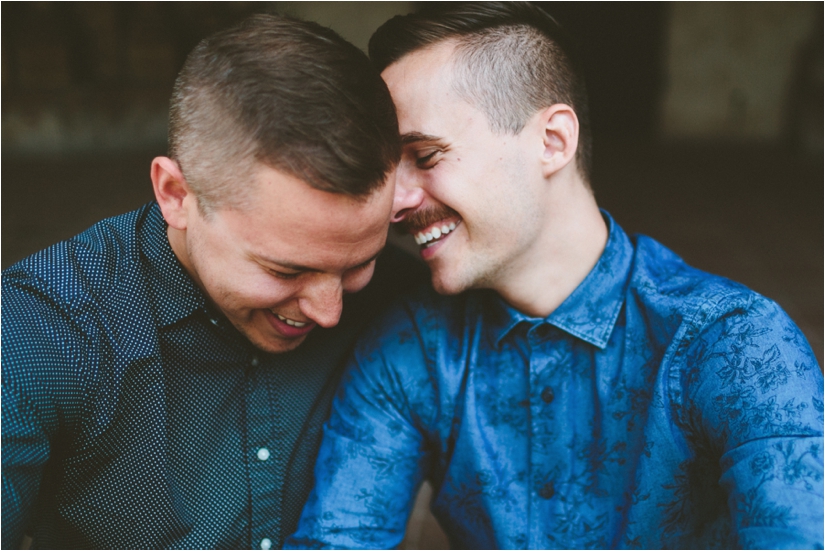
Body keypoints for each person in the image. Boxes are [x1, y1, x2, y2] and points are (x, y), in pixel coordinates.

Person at [286, 3, 824, 549]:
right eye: (389, 167)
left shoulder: (735, 344)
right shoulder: (411, 348)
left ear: (552, 142)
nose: (395, 201)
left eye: (424, 155)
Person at [1, 13, 427, 550]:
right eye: (285, 270)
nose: (329, 311)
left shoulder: (409, 299)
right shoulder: (41, 332)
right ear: (176, 194)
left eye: (358, 262)